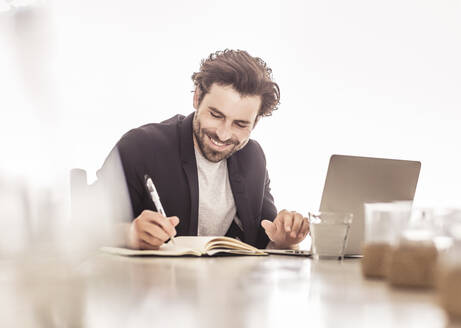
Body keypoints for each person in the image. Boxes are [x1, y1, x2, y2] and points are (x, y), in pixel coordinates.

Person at [98, 49, 309, 250]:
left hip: (226, 286)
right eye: (216, 115)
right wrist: (129, 233)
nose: (224, 134)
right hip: (150, 285)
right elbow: (82, 229)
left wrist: (285, 239)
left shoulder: (253, 157)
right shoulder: (141, 146)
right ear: (197, 97)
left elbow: (267, 236)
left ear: (256, 122)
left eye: (240, 124)